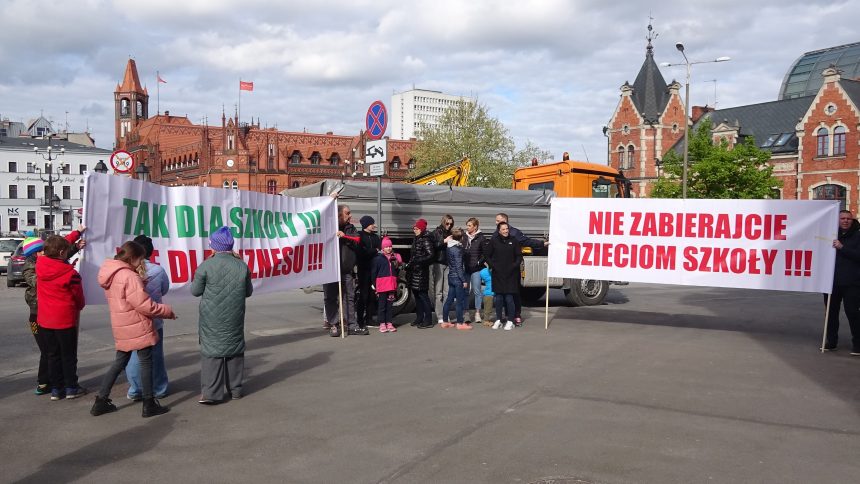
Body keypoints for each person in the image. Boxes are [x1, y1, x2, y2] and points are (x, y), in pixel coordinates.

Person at [91, 241, 175, 418]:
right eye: (141, 259)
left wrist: (139, 284)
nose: (142, 263)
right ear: (133, 258)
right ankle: (149, 403)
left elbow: (124, 297)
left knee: (119, 363)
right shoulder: (130, 276)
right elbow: (145, 306)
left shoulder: (113, 273)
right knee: (146, 363)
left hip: (121, 324)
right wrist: (167, 311)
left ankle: (101, 400)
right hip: (137, 324)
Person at [190, 227, 254, 404]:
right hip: (235, 315)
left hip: (212, 317)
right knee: (234, 349)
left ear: (214, 247)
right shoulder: (242, 265)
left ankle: (212, 393)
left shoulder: (206, 266)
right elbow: (248, 292)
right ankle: (236, 389)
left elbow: (195, 291)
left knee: (212, 352)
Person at [22, 229, 85, 396]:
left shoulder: (40, 265)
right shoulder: (71, 274)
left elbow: (59, 248)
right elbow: (79, 298)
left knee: (52, 354)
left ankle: (56, 389)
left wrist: (76, 234)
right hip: (63, 320)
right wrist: (79, 306)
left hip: (44, 319)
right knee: (67, 355)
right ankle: (70, 387)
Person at [125, 235, 170, 401]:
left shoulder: (126, 270)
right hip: (154, 319)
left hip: (131, 320)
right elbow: (164, 289)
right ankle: (158, 388)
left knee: (133, 355)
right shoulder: (158, 270)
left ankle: (136, 388)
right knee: (155, 355)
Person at [495, 213, 547, 327]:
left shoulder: (515, 233)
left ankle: (517, 315)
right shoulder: (496, 233)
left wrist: (542, 243)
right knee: (504, 293)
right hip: (501, 269)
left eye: (498, 220)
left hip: (513, 268)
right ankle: (508, 315)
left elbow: (527, 241)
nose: (496, 222)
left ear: (504, 220)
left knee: (514, 292)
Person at [323, 205, 366, 336]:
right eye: (347, 213)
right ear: (339, 215)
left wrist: (345, 236)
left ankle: (352, 325)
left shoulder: (351, 228)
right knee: (330, 298)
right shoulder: (328, 227)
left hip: (346, 270)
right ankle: (334, 325)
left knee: (349, 297)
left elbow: (357, 241)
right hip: (330, 271)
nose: (350, 215)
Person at [824, 210, 860, 354]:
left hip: (852, 282)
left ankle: (858, 344)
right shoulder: (831, 234)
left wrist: (842, 248)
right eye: (842, 218)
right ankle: (831, 342)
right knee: (831, 313)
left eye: (848, 219)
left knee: (852, 313)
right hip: (831, 281)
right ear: (837, 220)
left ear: (852, 221)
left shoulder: (858, 235)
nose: (845, 221)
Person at [486, 222, 522, 331]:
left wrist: (513, 266)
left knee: (509, 298)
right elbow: (487, 255)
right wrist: (493, 266)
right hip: (498, 274)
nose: (506, 231)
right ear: (499, 230)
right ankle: (498, 319)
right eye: (503, 229)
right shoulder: (494, 241)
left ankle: (510, 321)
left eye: (507, 229)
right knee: (499, 298)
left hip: (511, 274)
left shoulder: (514, 241)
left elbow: (519, 257)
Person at [441, 228, 471, 330]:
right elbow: (459, 266)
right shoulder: (458, 249)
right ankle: (459, 323)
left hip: (451, 276)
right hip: (458, 278)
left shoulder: (449, 247)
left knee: (449, 299)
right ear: (461, 238)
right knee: (459, 301)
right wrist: (464, 280)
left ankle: (445, 322)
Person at [408, 218, 436, 329]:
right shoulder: (417, 238)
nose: (414, 230)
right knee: (417, 296)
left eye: (416, 228)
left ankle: (428, 320)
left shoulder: (425, 239)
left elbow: (430, 255)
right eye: (414, 228)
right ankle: (419, 318)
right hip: (415, 271)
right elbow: (413, 255)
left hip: (421, 272)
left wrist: (418, 261)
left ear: (422, 229)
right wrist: (409, 265)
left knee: (423, 296)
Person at [356, 215, 382, 330]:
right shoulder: (360, 236)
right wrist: (374, 251)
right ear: (366, 225)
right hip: (364, 269)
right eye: (372, 223)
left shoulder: (376, 237)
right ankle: (360, 319)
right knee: (363, 294)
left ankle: (369, 318)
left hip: (374, 269)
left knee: (373, 294)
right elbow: (361, 253)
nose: (374, 225)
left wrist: (373, 251)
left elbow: (379, 249)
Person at [371, 237, 402, 333]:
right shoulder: (378, 259)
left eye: (390, 246)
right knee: (382, 305)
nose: (389, 248)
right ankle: (382, 323)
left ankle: (389, 322)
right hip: (382, 286)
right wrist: (374, 284)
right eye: (386, 247)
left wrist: (398, 260)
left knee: (389, 305)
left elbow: (397, 269)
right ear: (382, 248)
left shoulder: (394, 258)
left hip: (391, 286)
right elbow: (374, 272)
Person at [428, 214, 454, 324]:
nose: (449, 225)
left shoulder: (451, 233)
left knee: (447, 291)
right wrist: (445, 241)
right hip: (438, 263)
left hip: (449, 263)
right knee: (438, 292)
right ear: (443, 222)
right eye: (447, 223)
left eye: (451, 223)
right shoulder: (436, 232)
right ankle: (439, 315)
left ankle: (445, 314)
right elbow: (433, 246)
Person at [463, 217, 488, 323]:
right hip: (465, 269)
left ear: (475, 227)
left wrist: (479, 262)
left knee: (477, 291)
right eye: (467, 225)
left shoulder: (481, 238)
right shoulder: (463, 237)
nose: (467, 227)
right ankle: (466, 313)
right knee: (465, 292)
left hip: (476, 269)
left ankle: (477, 313)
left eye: (469, 225)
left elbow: (485, 254)